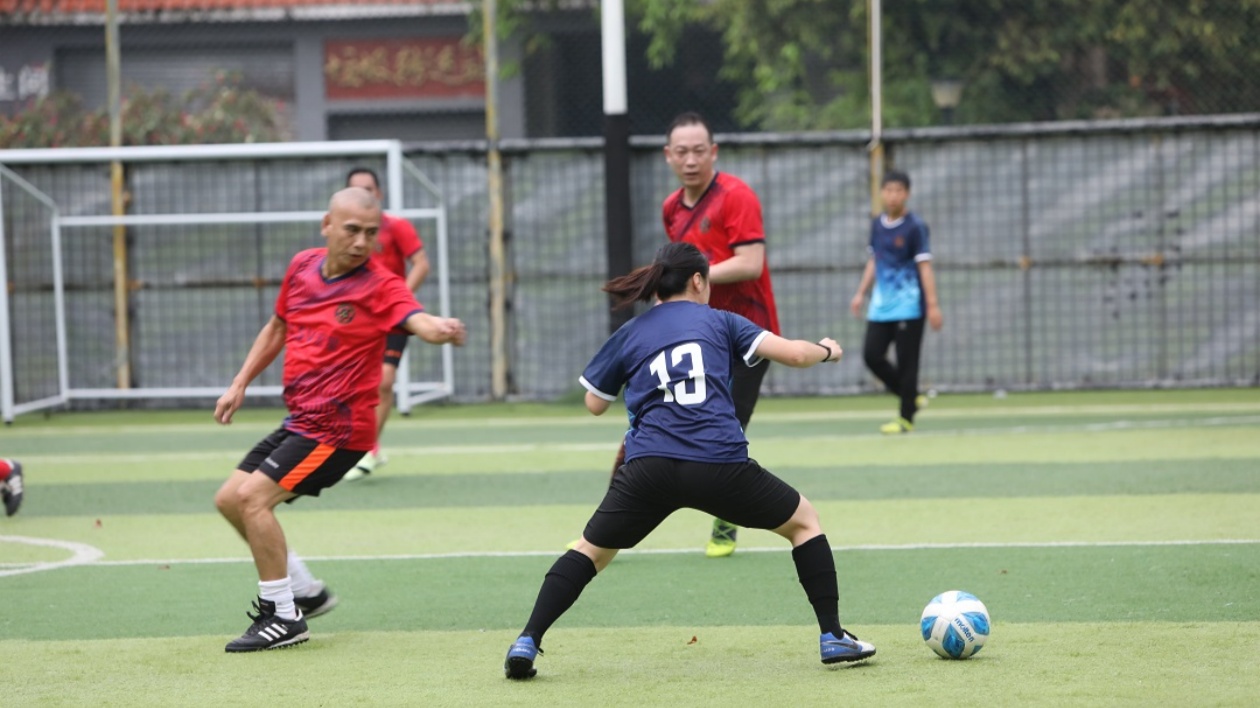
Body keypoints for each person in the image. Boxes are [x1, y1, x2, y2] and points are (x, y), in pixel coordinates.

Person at [503, 242, 876, 680]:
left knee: (591, 552)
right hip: (719, 464)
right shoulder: (720, 321)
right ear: (698, 281)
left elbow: (593, 403)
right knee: (804, 523)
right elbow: (794, 354)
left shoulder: (633, 331)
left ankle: (527, 639)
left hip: (648, 469)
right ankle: (832, 637)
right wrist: (827, 349)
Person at [212, 187, 465, 653]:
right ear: (327, 225)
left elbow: (416, 318)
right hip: (303, 420)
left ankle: (282, 617)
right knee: (230, 499)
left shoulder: (381, 282)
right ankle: (304, 590)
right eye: (352, 230)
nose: (362, 241)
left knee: (252, 499)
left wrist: (440, 328)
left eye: (371, 233)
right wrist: (240, 382)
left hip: (340, 430)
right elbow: (278, 328)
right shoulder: (302, 266)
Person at [661, 111, 781, 558]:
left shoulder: (737, 197)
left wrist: (694, 275)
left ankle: (727, 520)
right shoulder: (672, 208)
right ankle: (611, 523)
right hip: (695, 336)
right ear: (668, 156)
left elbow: (751, 263)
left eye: (699, 151)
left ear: (713, 153)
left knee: (725, 429)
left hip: (746, 334)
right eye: (682, 151)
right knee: (653, 422)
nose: (690, 160)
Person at [341, 167, 431, 481]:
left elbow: (421, 263)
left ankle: (369, 449)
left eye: (369, 189)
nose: (364, 195)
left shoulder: (397, 227)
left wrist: (398, 300)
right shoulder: (342, 234)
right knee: (350, 384)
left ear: (379, 194)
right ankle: (345, 446)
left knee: (385, 379)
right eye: (357, 190)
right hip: (356, 321)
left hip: (391, 320)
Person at [849, 170, 942, 434]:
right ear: (881, 193)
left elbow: (925, 267)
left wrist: (933, 305)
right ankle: (909, 395)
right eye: (888, 190)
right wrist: (860, 293)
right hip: (881, 305)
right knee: (871, 355)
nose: (893, 196)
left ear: (907, 194)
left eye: (898, 190)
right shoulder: (877, 224)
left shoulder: (915, 227)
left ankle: (905, 419)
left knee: (907, 362)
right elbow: (874, 261)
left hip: (909, 306)